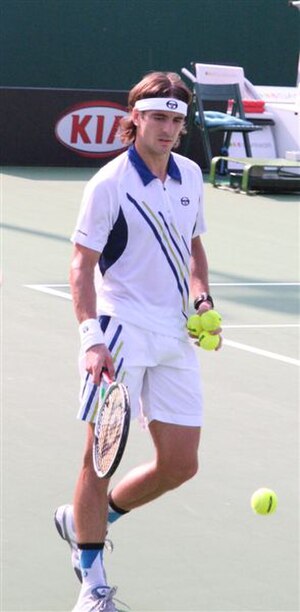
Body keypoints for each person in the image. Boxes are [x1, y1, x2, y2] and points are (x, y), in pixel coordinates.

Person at [54, 71, 222, 612]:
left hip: (173, 334)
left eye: (177, 119)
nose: (169, 128)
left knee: (180, 464)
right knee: (99, 459)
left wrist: (202, 300)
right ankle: (92, 581)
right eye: (159, 117)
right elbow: (81, 266)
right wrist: (91, 337)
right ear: (136, 118)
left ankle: (86, 521)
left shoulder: (192, 175)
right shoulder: (108, 184)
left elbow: (193, 246)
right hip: (120, 331)